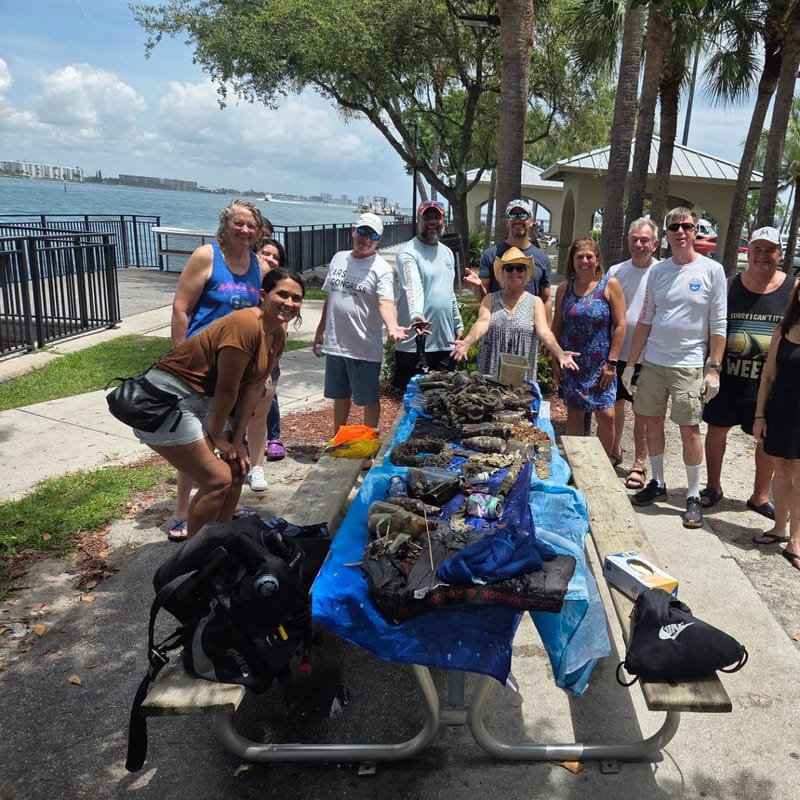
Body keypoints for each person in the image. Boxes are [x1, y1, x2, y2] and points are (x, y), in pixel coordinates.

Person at [133, 268, 304, 539]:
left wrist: (237, 440)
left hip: (201, 401)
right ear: (262, 295)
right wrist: (218, 437)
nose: (289, 303)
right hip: (164, 399)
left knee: (238, 469)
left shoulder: (277, 336)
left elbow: (253, 389)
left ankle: (219, 543)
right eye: (282, 294)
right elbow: (227, 388)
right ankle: (194, 559)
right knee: (218, 480)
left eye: (296, 298)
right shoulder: (246, 324)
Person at [622, 207, 727, 529]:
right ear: (665, 235)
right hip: (654, 361)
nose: (681, 232)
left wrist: (714, 369)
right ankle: (658, 482)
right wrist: (630, 364)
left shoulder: (712, 270)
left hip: (690, 365)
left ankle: (693, 495)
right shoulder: (659, 272)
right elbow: (646, 319)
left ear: (695, 231)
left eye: (687, 226)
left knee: (689, 430)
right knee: (651, 422)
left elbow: (719, 324)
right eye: (674, 227)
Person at [167, 199, 265, 539]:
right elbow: (181, 308)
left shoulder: (257, 265)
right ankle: (181, 512)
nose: (245, 230)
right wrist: (180, 357)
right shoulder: (207, 257)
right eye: (238, 223)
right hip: (199, 366)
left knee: (228, 438)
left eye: (251, 226)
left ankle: (224, 507)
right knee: (197, 442)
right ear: (225, 226)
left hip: (236, 371)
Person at [701, 226, 797, 528]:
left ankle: (758, 495)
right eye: (757, 249)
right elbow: (712, 325)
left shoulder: (792, 288)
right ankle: (713, 485)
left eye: (770, 250)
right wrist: (711, 366)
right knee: (716, 429)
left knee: (764, 439)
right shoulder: (730, 285)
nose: (763, 256)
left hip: (769, 381)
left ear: (780, 254)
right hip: (728, 374)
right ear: (749, 252)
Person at [313, 213, 408, 434]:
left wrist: (392, 326)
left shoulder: (381, 268)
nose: (366, 238)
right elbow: (331, 297)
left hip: (363, 348)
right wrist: (320, 331)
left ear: (379, 239)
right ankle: (338, 440)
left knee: (369, 399)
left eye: (373, 235)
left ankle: (368, 446)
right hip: (336, 344)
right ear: (353, 231)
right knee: (339, 396)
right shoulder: (339, 257)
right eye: (363, 231)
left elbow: (386, 303)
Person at [451, 246, 579, 381]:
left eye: (520, 268)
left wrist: (559, 353)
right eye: (509, 268)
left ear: (526, 273)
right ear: (502, 273)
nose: (515, 272)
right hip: (491, 371)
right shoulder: (490, 299)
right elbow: (482, 323)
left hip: (521, 374)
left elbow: (544, 331)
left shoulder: (536, 302)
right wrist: (467, 342)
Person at [551, 237, 626, 459]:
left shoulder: (609, 285)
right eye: (579, 257)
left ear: (597, 259)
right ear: (572, 260)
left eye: (589, 256)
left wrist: (612, 362)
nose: (584, 261)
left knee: (607, 415)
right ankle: (578, 464)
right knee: (574, 416)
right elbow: (557, 326)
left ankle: (604, 463)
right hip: (572, 364)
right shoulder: (565, 288)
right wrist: (555, 360)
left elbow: (621, 325)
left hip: (601, 365)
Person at [607, 218, 660, 489]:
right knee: (614, 406)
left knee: (642, 412)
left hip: (648, 357)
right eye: (634, 239)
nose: (639, 245)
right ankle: (614, 451)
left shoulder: (663, 272)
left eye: (644, 240)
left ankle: (639, 464)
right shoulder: (616, 271)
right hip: (617, 353)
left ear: (655, 244)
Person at [753, 281, 800, 570]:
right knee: (781, 469)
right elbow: (768, 376)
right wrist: (760, 415)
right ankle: (779, 527)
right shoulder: (783, 328)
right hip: (780, 410)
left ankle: (796, 539)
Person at [392, 201, 464, 391]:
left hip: (444, 343)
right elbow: (412, 286)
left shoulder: (447, 253)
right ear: (419, 220)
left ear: (443, 220)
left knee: (443, 403)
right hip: (414, 345)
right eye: (427, 217)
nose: (432, 221)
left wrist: (458, 324)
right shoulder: (408, 253)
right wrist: (417, 316)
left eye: (437, 217)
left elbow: (449, 293)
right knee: (410, 406)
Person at [246, 237, 290, 492]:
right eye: (266, 254)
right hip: (242, 357)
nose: (270, 259)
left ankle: (257, 467)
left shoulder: (281, 287)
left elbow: (282, 325)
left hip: (268, 359)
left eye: (276, 257)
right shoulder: (246, 283)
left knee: (261, 412)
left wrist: (272, 357)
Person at [466, 198, 552, 320]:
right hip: (498, 328)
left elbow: (546, 299)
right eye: (512, 216)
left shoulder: (542, 259)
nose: (517, 220)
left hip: (530, 331)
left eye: (523, 215)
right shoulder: (490, 255)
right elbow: (484, 299)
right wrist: (478, 287)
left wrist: (547, 331)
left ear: (531, 221)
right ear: (507, 222)